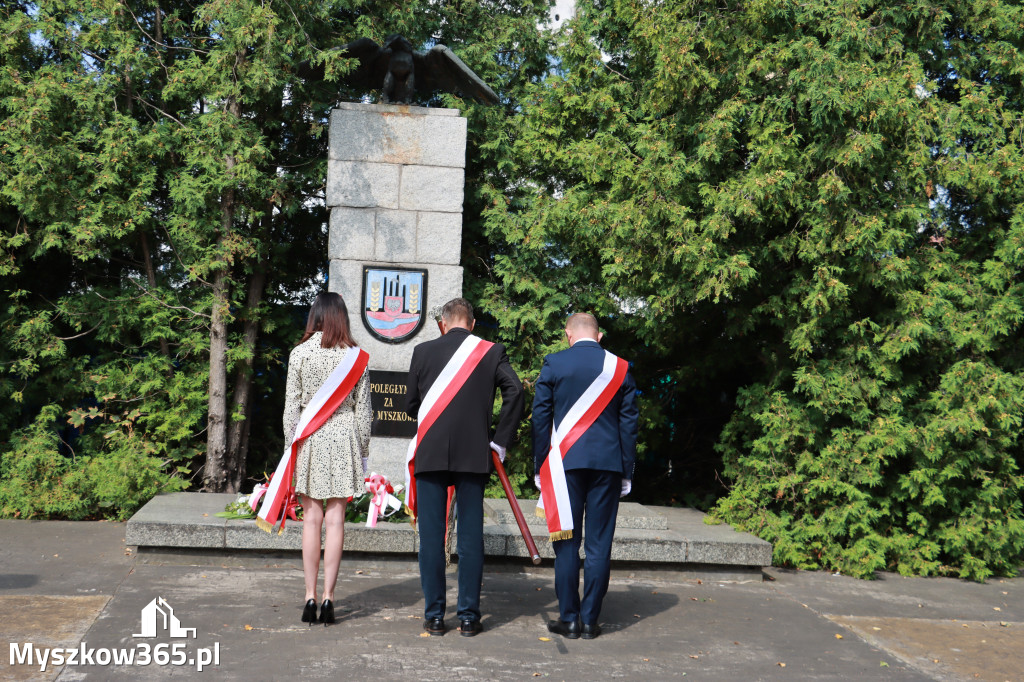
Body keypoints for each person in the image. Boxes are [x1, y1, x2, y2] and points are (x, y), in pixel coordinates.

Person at [404, 297, 524, 637]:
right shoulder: (491, 351)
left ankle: (435, 617)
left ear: (443, 324)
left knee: (431, 538)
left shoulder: (423, 352)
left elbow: (412, 404)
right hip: (474, 455)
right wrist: (499, 441)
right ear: (472, 324)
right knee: (470, 538)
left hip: (430, 454)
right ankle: (470, 617)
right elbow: (515, 391)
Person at [532, 312, 638, 640]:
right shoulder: (620, 368)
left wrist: (540, 466)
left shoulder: (554, 363)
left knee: (566, 541)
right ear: (600, 336)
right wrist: (626, 469)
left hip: (564, 465)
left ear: (568, 335)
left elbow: (540, 417)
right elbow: (629, 424)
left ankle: (569, 618)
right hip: (607, 464)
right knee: (598, 544)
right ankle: (590, 620)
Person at [281, 292, 371, 626]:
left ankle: (309, 596)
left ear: (315, 316)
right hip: (344, 438)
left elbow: (291, 407)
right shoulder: (357, 357)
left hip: (310, 439)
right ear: (342, 318)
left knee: (311, 520)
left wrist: (291, 444)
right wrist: (361, 453)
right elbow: (364, 413)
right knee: (335, 521)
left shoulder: (299, 354)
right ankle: (330, 598)